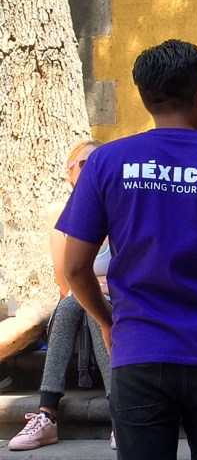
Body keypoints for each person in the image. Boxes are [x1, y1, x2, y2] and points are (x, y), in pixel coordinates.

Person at [56, 39, 197, 460]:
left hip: (139, 352)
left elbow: (73, 268)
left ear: (146, 98)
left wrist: (108, 321)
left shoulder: (106, 161)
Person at [8, 140, 114, 452]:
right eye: (82, 164)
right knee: (74, 305)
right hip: (78, 300)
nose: (89, 169)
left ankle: (119, 413)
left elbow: (127, 271)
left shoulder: (119, 212)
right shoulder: (61, 221)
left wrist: (93, 284)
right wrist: (96, 284)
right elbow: (66, 280)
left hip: (116, 301)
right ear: (69, 174)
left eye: (96, 162)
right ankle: (46, 416)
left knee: (94, 311)